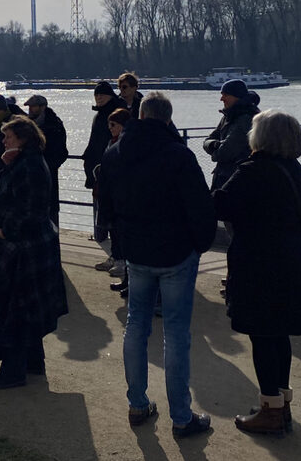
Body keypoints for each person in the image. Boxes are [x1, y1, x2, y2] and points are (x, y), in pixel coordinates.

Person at [97, 92, 216, 439]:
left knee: (136, 326)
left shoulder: (115, 153)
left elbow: (107, 203)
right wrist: (199, 243)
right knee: (176, 333)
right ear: (168, 120)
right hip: (176, 252)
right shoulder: (179, 155)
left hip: (137, 252)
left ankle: (137, 403)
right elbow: (200, 206)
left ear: (139, 115)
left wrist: (122, 243)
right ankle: (181, 416)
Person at [212, 109, 301, 436]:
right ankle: (281, 403)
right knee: (279, 334)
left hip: (259, 264)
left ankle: (269, 408)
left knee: (262, 334)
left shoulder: (253, 170)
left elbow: (220, 206)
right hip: (289, 261)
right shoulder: (292, 167)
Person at [0, 116, 68, 389]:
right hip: (25, 250)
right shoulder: (23, 162)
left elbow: (32, 209)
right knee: (27, 308)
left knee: (14, 310)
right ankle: (34, 362)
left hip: (21, 250)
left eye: (8, 137)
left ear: (23, 139)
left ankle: (13, 371)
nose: (3, 141)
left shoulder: (30, 166)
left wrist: (7, 231)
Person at [84, 81, 125, 244]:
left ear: (110, 95)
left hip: (112, 168)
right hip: (97, 169)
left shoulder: (117, 113)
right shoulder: (98, 116)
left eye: (102, 94)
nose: (99, 97)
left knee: (114, 214)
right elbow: (94, 141)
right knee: (103, 210)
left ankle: (118, 254)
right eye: (96, 94)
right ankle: (109, 248)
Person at [202, 78, 261, 191]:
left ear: (237, 96)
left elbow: (224, 153)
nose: (221, 99)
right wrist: (214, 145)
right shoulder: (228, 116)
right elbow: (209, 140)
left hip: (235, 180)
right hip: (225, 176)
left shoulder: (245, 119)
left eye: (226, 95)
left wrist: (214, 149)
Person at [25, 95, 68, 226]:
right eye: (29, 107)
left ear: (42, 107)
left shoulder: (55, 124)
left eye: (33, 106)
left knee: (51, 214)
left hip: (48, 174)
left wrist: (48, 165)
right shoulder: (26, 125)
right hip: (28, 175)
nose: (30, 109)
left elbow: (62, 152)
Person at [104, 107, 133, 294]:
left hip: (123, 199)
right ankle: (127, 280)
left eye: (113, 125)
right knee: (120, 237)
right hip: (114, 197)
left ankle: (129, 281)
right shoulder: (113, 142)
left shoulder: (126, 145)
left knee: (128, 242)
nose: (110, 128)